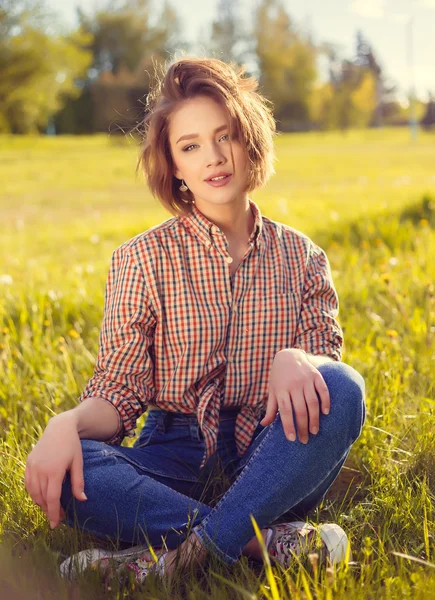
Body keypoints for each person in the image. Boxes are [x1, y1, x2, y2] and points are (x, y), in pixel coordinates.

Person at [24, 56, 366, 584]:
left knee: (343, 387)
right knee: (76, 469)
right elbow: (119, 392)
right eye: (190, 146)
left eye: (224, 136)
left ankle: (170, 558)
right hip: (170, 462)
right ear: (174, 166)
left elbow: (326, 375)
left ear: (248, 140)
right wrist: (64, 424)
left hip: (270, 455)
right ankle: (258, 542)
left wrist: (300, 357)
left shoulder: (302, 257)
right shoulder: (141, 259)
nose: (212, 157)